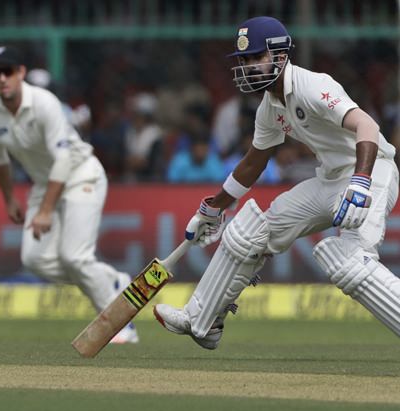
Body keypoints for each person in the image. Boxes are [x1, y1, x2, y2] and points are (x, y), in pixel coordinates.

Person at [154, 16, 399, 349]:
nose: (248, 67)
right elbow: (253, 163)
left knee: (351, 262)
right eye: (244, 60)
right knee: (251, 234)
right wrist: (213, 209)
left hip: (372, 173)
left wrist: (361, 180)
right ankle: (203, 320)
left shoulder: (313, 85)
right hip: (329, 181)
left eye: (256, 58)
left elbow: (366, 125)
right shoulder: (270, 108)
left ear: (281, 55)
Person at [0, 46, 137, 344]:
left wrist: (46, 211)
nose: (3, 78)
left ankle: (119, 323)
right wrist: (9, 198)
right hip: (44, 182)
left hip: (81, 175)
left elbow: (63, 160)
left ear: (20, 73)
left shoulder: (44, 103)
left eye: (8, 71)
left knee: (74, 256)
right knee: (35, 259)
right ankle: (111, 280)